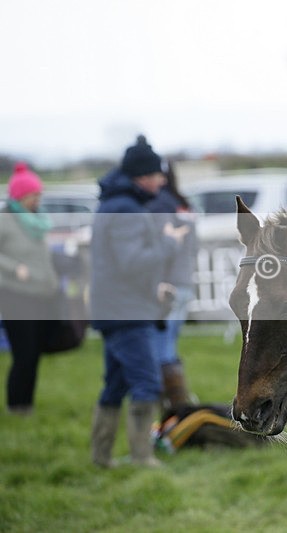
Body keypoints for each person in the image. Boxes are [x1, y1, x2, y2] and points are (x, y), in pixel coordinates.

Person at [89, 135, 189, 467]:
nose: (162, 180)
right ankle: (142, 459)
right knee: (146, 382)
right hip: (126, 315)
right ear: (142, 176)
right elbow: (132, 262)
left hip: (119, 308)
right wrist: (170, 242)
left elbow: (121, 268)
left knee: (115, 386)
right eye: (157, 174)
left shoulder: (118, 204)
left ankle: (101, 458)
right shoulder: (125, 208)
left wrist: (154, 289)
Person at [0, 163, 59, 416]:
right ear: (20, 196)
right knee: (23, 354)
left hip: (41, 294)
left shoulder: (37, 221)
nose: (38, 199)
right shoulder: (5, 220)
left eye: (39, 195)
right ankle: (16, 406)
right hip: (15, 295)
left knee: (34, 353)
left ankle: (28, 405)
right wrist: (15, 269)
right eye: (34, 195)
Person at [146, 161, 198, 414]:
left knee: (161, 348)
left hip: (166, 285)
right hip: (185, 282)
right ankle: (178, 401)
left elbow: (160, 250)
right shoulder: (185, 204)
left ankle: (170, 406)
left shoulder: (159, 206)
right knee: (170, 345)